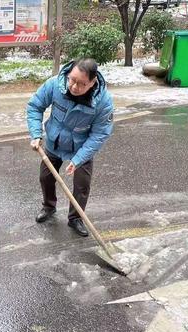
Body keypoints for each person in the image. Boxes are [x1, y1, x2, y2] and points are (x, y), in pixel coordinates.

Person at [27, 58, 114, 237]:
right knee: (46, 178)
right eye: (72, 79)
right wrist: (36, 134)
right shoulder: (54, 85)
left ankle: (75, 218)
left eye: (82, 84)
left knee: (82, 185)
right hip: (54, 140)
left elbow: (99, 134)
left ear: (92, 82)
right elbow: (35, 106)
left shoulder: (103, 102)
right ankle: (49, 206)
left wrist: (78, 159)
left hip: (81, 146)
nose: (74, 87)